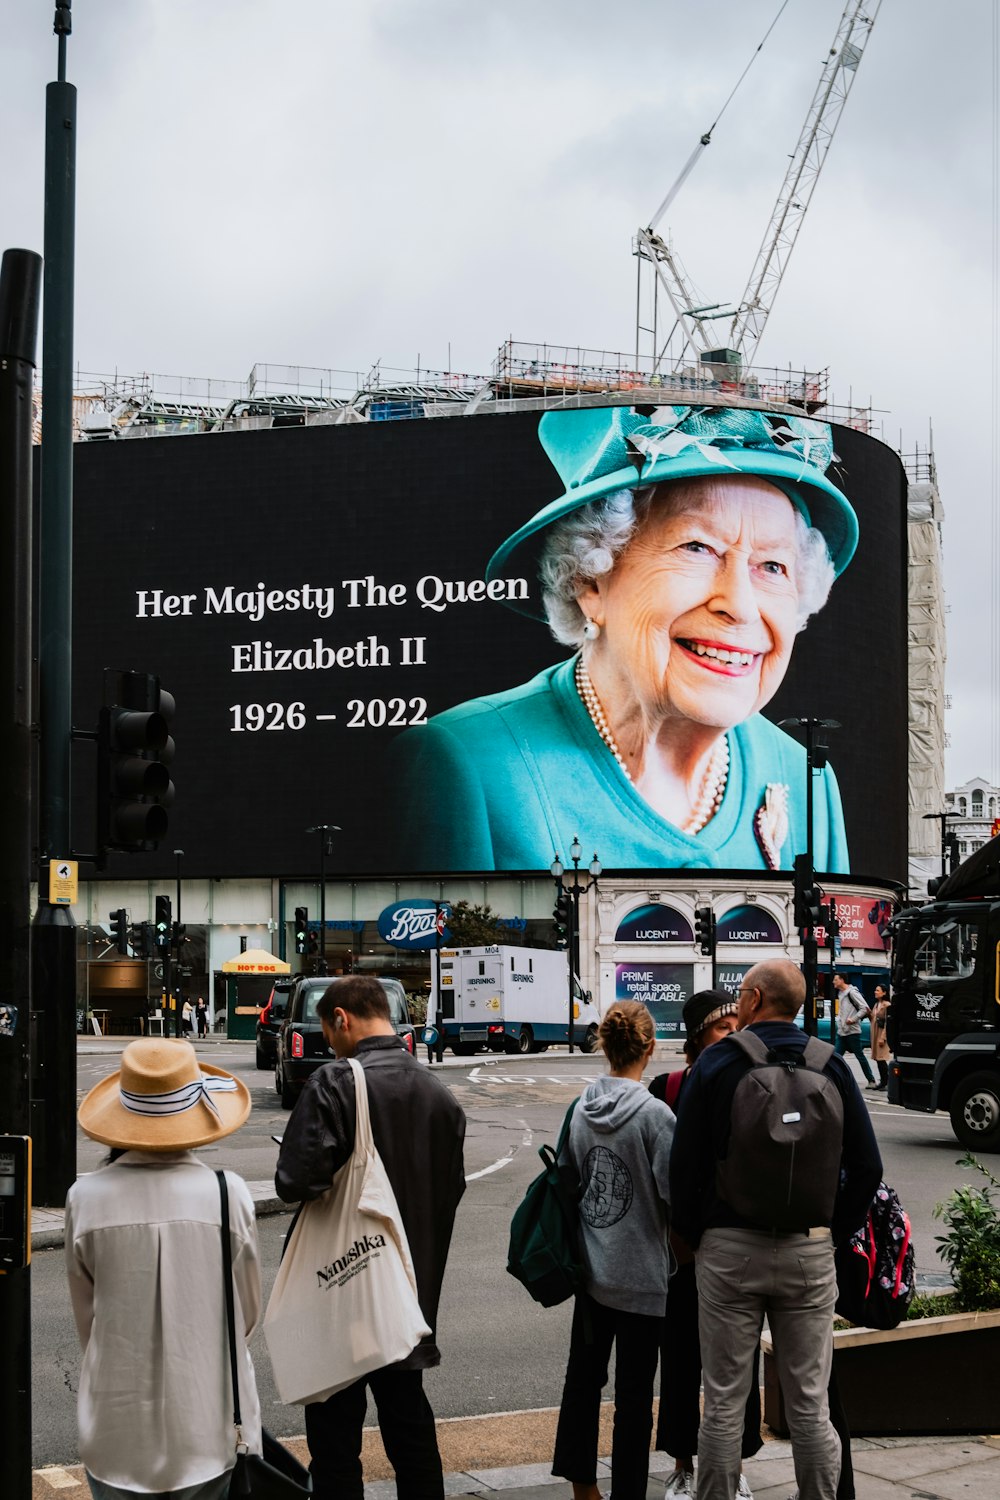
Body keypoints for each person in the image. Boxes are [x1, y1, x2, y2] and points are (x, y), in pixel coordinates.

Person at [388, 404, 858, 872]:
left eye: (772, 566)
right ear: (589, 582)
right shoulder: (469, 765)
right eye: (697, 547)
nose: (739, 605)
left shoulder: (806, 779)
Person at [670, 959, 882, 1500]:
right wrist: (831, 1232)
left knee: (722, 1401)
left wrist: (697, 1235)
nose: (738, 1004)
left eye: (742, 995)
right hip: (808, 1250)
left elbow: (685, 1166)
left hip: (729, 1249)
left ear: (757, 998)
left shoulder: (717, 1063)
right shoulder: (831, 1066)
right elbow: (867, 1167)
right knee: (810, 1406)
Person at [275, 974, 466, 1500]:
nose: (329, 1043)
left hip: (345, 1286)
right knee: (409, 1426)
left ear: (342, 1019)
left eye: (327, 1030)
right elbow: (451, 1190)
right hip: (406, 1291)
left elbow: (295, 1181)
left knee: (335, 1439)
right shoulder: (441, 1096)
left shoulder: (335, 1082)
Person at [65, 1038, 260, 1500]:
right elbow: (247, 1314)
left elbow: (87, 1320)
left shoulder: (85, 1199)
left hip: (116, 1429)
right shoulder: (227, 1193)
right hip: (209, 1423)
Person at [551, 1000, 674, 1500]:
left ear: (605, 1045)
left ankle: (583, 1485)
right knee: (634, 1396)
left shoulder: (581, 1107)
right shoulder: (656, 1116)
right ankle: (628, 1491)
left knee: (583, 1380)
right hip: (643, 1277)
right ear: (649, 1048)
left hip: (592, 1270)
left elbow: (569, 1177)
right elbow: (674, 1196)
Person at [648, 989, 759, 1500]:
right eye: (721, 1026)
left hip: (736, 1246)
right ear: (697, 1036)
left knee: (736, 1365)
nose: (733, 1033)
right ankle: (684, 1464)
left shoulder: (752, 1082)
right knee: (681, 1360)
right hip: (681, 1252)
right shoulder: (666, 1086)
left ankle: (731, 1468)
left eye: (738, 1023)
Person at [832, 973, 876, 1087]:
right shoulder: (841, 994)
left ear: (842, 980)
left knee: (860, 1056)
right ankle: (833, 1079)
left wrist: (854, 1019)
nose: (833, 982)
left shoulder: (852, 992)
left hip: (852, 1031)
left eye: (835, 979)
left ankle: (871, 1080)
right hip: (842, 1032)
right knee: (836, 1056)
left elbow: (865, 1008)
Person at [869, 982, 891, 1089]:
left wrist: (883, 1037)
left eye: (878, 990)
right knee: (878, 1059)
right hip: (875, 1033)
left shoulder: (887, 1005)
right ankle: (883, 1081)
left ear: (884, 993)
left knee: (881, 1059)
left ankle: (885, 1082)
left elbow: (888, 1022)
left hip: (881, 1035)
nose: (875, 992)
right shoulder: (876, 1004)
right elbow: (873, 1019)